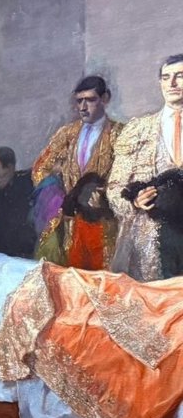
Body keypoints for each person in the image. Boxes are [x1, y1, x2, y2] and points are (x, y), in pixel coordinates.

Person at [31, 75, 123, 269]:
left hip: (105, 223)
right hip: (70, 223)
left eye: (90, 100)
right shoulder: (66, 133)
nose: (83, 107)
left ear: (105, 99)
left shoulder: (120, 133)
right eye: (79, 101)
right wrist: (58, 198)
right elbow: (40, 167)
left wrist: (103, 195)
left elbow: (127, 175)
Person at [109, 54, 183, 280]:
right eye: (166, 77)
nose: (172, 83)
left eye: (180, 76)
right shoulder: (138, 129)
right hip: (149, 241)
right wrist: (134, 201)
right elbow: (114, 187)